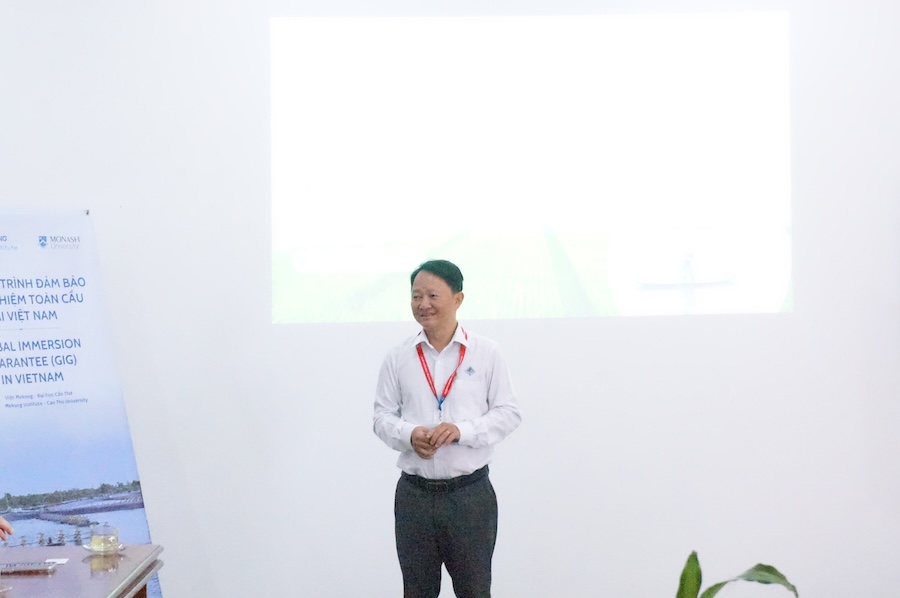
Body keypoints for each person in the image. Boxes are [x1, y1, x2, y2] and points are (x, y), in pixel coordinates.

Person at [373, 259, 522, 598]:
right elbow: (381, 417)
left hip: (469, 497)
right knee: (417, 591)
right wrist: (409, 435)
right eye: (416, 296)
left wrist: (461, 431)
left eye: (432, 296)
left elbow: (509, 413)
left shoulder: (486, 353)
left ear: (458, 299)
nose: (423, 304)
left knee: (474, 591)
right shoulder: (398, 357)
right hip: (414, 497)